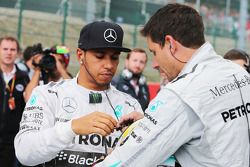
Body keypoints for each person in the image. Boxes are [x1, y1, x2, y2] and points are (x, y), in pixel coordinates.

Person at [95, 3, 250, 167]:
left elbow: (126, 161)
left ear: (170, 44)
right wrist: (149, 122)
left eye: (154, 52)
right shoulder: (238, 72)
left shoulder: (181, 94)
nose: (154, 64)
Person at [14, 20, 143, 167]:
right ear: (80, 55)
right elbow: (24, 152)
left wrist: (139, 137)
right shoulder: (47, 94)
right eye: (100, 56)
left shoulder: (130, 106)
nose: (109, 65)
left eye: (114, 57)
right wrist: (71, 128)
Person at [0, 36, 30, 167]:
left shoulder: (23, 77)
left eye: (12, 49)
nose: (8, 52)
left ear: (17, 53)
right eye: (5, 49)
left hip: (10, 141)